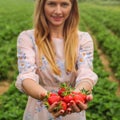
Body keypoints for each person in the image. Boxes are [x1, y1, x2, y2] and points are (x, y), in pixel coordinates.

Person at [15, 0, 98, 120]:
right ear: (42, 6)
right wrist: (47, 97)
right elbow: (26, 76)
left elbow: (86, 73)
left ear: (72, 7)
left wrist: (78, 94)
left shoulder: (83, 39)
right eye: (52, 3)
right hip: (40, 108)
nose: (58, 11)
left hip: (71, 107)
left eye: (64, 4)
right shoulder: (27, 38)